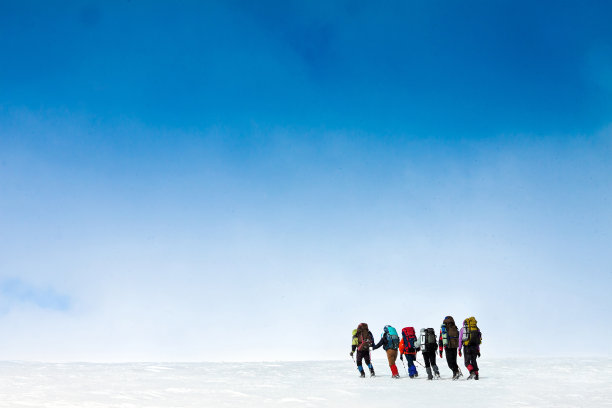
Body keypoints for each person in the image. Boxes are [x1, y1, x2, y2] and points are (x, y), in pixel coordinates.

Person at [439, 315, 463, 380]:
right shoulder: (454, 327)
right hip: (454, 346)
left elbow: (441, 339)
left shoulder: (443, 328)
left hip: (447, 346)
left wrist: (440, 350)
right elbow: (459, 337)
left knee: (450, 362)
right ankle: (455, 373)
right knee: (454, 361)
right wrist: (460, 348)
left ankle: (456, 372)